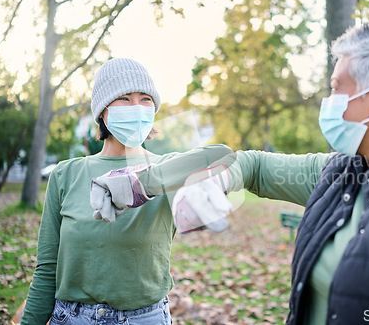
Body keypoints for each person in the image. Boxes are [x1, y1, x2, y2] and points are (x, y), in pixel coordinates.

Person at [170, 18, 369, 324]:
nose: (329, 102)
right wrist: (216, 179)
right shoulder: (337, 173)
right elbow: (254, 166)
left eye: (337, 88)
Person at [20, 58, 233, 325]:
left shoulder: (169, 169)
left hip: (146, 318)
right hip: (72, 318)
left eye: (145, 99)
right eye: (124, 98)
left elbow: (223, 158)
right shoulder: (66, 174)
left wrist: (206, 194)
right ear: (102, 111)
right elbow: (47, 268)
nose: (136, 107)